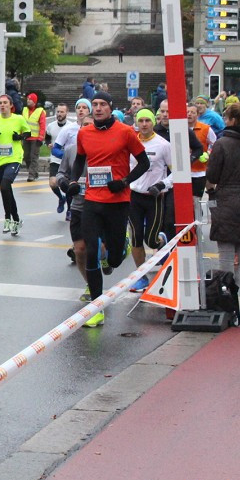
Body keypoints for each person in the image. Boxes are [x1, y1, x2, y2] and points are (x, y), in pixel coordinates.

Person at [68, 91, 150, 326]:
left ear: (111, 107)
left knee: (113, 258)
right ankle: (97, 308)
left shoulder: (125, 132)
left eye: (103, 104)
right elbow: (79, 161)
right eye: (95, 104)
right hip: (92, 201)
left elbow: (144, 162)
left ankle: (118, 248)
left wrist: (124, 182)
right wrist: (74, 181)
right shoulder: (84, 133)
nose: (98, 108)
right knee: (91, 251)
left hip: (118, 201)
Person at [206, 102, 240, 323]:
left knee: (225, 256)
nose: (224, 121)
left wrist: (210, 191)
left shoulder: (223, 143)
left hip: (226, 200)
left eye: (226, 118)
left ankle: (226, 302)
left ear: (234, 121)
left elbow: (212, 175)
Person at [125, 109, 173, 294]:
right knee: (136, 238)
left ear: (154, 122)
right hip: (134, 196)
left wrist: (162, 184)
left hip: (154, 197)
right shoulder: (130, 142)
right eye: (141, 121)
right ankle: (141, 276)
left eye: (147, 120)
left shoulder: (163, 145)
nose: (144, 124)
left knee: (151, 241)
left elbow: (176, 171)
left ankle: (161, 239)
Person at [56, 111, 93, 295]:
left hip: (100, 205)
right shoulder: (71, 150)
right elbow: (61, 173)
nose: (86, 129)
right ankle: (90, 285)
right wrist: (64, 183)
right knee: (79, 249)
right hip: (78, 205)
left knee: (100, 249)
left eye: (90, 126)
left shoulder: (104, 149)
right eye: (83, 126)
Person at [0, 95, 30, 235]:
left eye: (5, 103)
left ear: (10, 105)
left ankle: (7, 218)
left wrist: (20, 137)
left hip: (14, 158)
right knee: (6, 190)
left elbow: (27, 132)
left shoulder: (18, 119)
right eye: (0, 103)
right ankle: (15, 219)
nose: (2, 105)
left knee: (5, 185)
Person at [187, 103, 215, 219]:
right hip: (182, 172)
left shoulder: (206, 128)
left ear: (197, 115)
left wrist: (208, 154)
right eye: (187, 112)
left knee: (196, 201)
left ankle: (199, 229)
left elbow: (215, 144)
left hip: (200, 171)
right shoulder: (178, 128)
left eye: (192, 112)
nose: (189, 115)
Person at [45, 104, 71, 213]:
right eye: (58, 112)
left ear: (67, 113)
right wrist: (48, 144)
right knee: (53, 183)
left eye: (62, 112)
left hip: (68, 160)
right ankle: (61, 198)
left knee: (69, 186)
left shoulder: (71, 126)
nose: (59, 114)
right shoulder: (51, 126)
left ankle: (70, 209)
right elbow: (47, 137)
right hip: (55, 159)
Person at [21, 93, 46, 181]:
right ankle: (34, 172)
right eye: (27, 99)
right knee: (26, 156)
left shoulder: (40, 111)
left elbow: (42, 125)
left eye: (30, 99)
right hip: (26, 137)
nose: (28, 100)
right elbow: (21, 123)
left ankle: (31, 175)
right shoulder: (24, 110)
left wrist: (41, 137)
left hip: (35, 139)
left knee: (34, 157)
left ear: (34, 101)